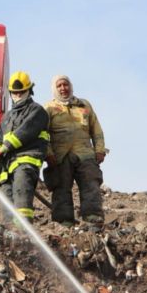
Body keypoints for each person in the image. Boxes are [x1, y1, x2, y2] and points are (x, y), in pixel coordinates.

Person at [44, 75, 107, 230]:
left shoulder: (84, 105)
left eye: (65, 84)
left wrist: (99, 150)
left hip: (85, 154)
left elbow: (96, 130)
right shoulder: (48, 108)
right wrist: (48, 153)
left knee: (91, 185)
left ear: (70, 86)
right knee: (61, 188)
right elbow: (43, 134)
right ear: (54, 89)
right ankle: (64, 223)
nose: (63, 88)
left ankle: (93, 219)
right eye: (59, 85)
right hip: (60, 156)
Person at [0, 71, 50, 224]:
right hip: (6, 165)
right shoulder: (8, 116)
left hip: (26, 160)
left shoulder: (37, 111)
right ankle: (11, 231)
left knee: (21, 196)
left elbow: (25, 131)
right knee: (7, 201)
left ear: (29, 90)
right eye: (14, 92)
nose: (17, 95)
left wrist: (4, 147)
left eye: (21, 92)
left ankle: (23, 231)